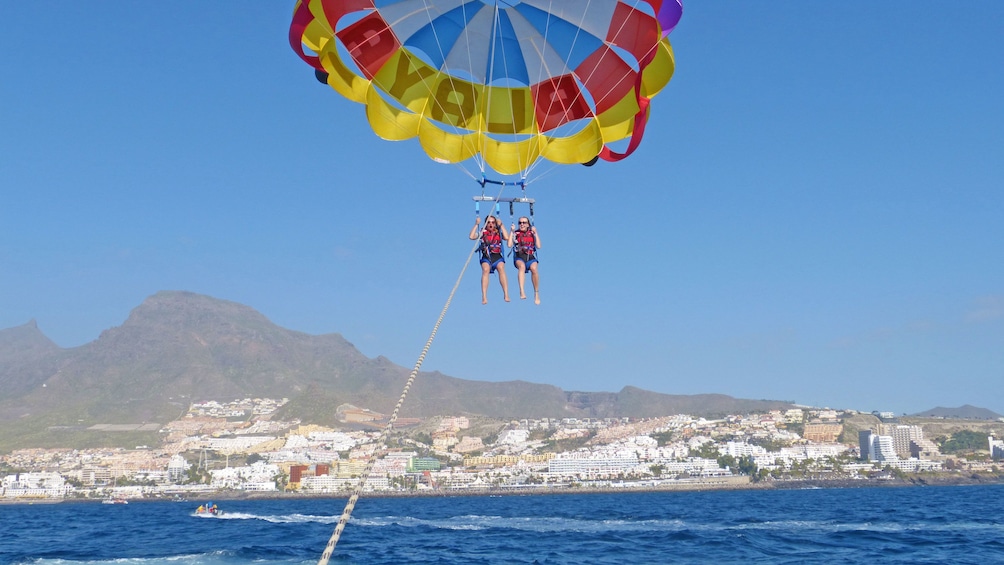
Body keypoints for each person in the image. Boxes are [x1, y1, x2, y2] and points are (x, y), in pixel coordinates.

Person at [469, 215, 510, 304]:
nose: (491, 224)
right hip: (486, 256)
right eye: (488, 222)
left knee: (501, 268)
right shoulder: (482, 232)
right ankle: (484, 296)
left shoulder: (498, 232)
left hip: (497, 256)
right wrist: (476, 224)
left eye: (493, 222)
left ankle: (506, 294)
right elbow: (471, 237)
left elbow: (507, 237)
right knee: (485, 270)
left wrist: (501, 225)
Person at [509, 216, 541, 304]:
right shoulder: (516, 233)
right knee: (522, 267)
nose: (522, 224)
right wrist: (511, 232)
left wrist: (536, 233)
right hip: (519, 256)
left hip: (530, 256)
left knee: (534, 269)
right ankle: (522, 290)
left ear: (528, 224)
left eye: (524, 222)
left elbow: (538, 246)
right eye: (520, 223)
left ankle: (536, 293)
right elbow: (509, 244)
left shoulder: (532, 233)